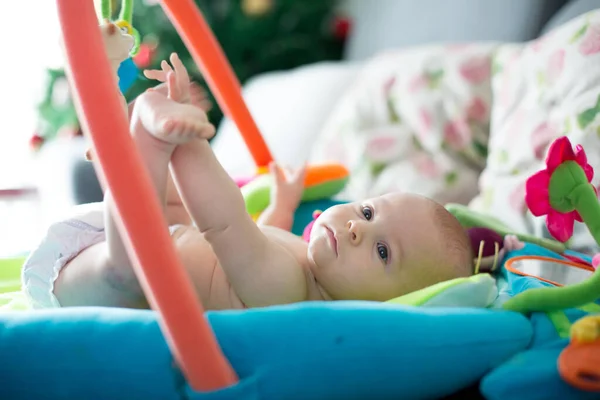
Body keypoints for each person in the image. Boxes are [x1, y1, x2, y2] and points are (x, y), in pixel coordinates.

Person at [22, 50, 473, 311]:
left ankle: (144, 143)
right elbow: (263, 231)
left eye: (382, 251)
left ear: (385, 305)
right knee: (169, 215)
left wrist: (190, 143)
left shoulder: (289, 293)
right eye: (369, 211)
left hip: (108, 288)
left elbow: (228, 222)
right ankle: (131, 159)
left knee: (131, 266)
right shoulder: (307, 265)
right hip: (155, 236)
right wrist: (283, 199)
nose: (358, 226)